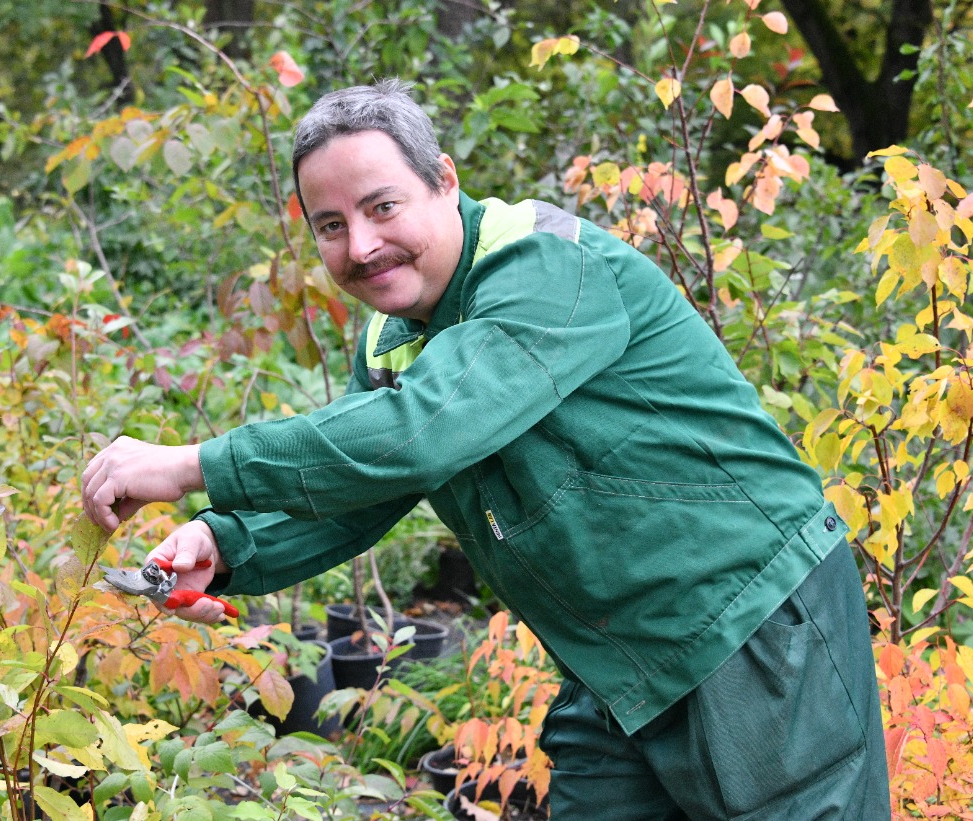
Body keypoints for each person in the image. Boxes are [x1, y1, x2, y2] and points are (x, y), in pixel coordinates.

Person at [80, 80, 891, 819]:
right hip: (617, 667)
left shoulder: (546, 265)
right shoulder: (395, 339)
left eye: (382, 206)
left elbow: (420, 432)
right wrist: (224, 540)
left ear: (446, 181)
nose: (360, 246)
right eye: (331, 226)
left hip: (752, 627)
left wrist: (188, 463)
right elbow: (370, 478)